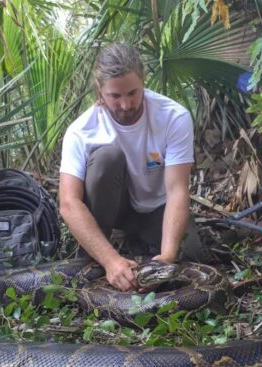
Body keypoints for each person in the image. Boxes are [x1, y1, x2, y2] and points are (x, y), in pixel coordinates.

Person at [59, 43, 203, 292]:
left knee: (191, 256)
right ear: (100, 90)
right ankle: (96, 255)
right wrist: (110, 260)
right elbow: (69, 203)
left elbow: (178, 191)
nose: (126, 105)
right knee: (106, 158)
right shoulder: (80, 131)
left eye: (133, 93)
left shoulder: (174, 117)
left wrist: (166, 259)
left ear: (143, 81)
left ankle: (140, 243)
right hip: (115, 211)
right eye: (115, 96)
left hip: (156, 208)